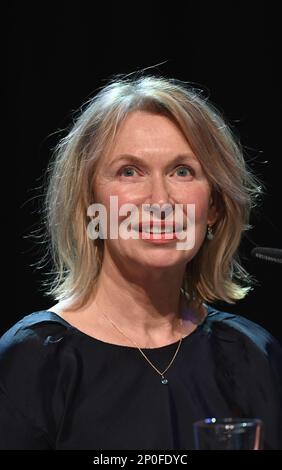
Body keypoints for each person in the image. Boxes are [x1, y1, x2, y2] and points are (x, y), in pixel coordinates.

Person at [0, 74, 281, 450]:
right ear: (89, 203)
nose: (160, 201)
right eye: (129, 171)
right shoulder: (33, 360)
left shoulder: (253, 354)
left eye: (183, 171)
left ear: (213, 206)